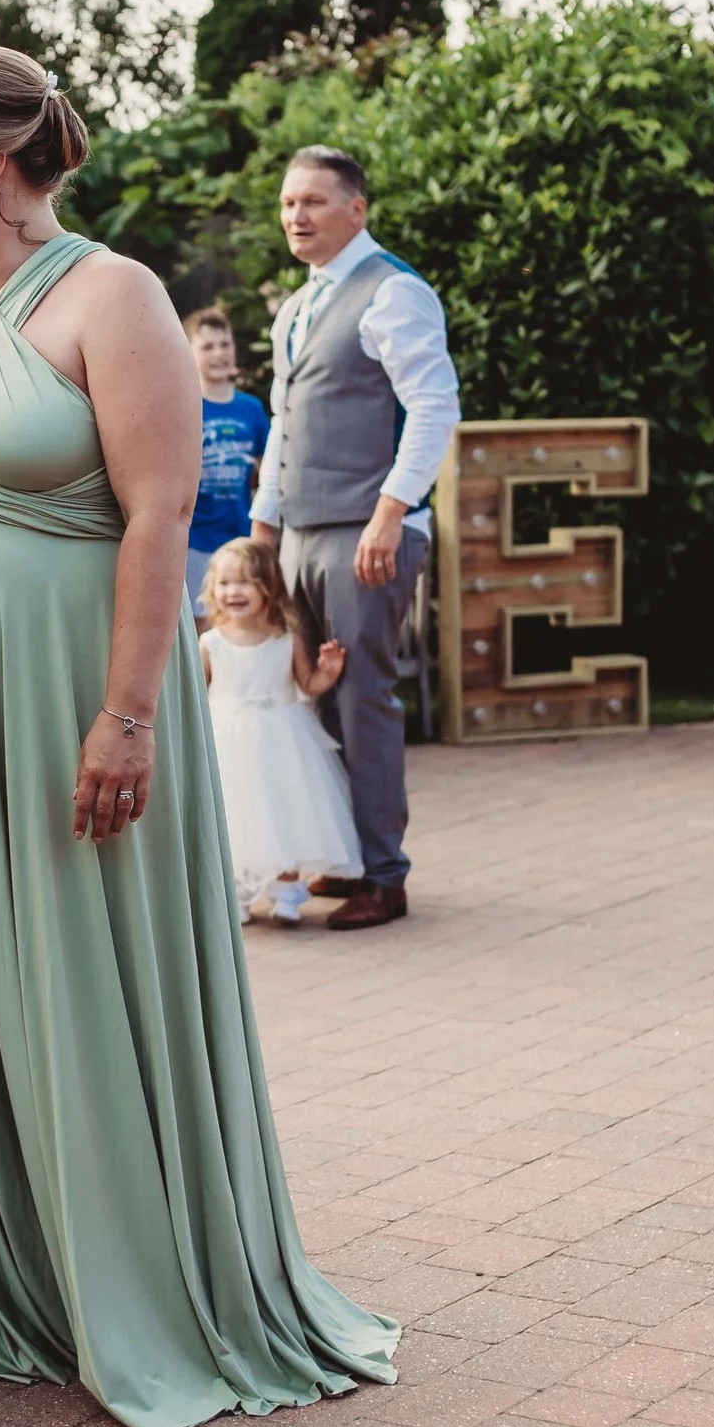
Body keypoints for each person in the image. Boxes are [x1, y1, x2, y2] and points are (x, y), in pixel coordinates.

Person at [0, 46, 397, 1427]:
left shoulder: (113, 294)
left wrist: (130, 712)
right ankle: (30, 1267)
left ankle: (143, 1273)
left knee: (84, 957)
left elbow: (156, 514)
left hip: (81, 689)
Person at [250, 147, 458, 932]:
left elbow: (434, 408)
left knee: (363, 698)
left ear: (356, 210)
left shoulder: (394, 291)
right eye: (287, 204)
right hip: (300, 528)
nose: (296, 217)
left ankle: (384, 874)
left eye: (313, 202)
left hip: (367, 530)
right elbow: (284, 424)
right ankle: (341, 856)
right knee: (310, 698)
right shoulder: (296, 306)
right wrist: (263, 527)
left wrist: (389, 512)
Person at [199, 539, 359, 924]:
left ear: (268, 588)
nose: (233, 592)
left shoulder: (287, 639)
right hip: (228, 741)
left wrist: (328, 672)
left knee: (285, 813)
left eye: (245, 582)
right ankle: (236, 892)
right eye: (224, 584)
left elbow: (307, 683)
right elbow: (198, 697)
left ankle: (287, 890)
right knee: (234, 818)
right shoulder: (210, 643)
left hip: (282, 740)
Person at [184, 304, 268, 615]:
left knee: (238, 623)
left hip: (240, 538)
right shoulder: (185, 406)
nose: (219, 353)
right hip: (194, 542)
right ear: (189, 352)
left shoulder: (252, 409)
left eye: (225, 344)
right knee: (202, 627)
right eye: (207, 346)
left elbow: (269, 469)